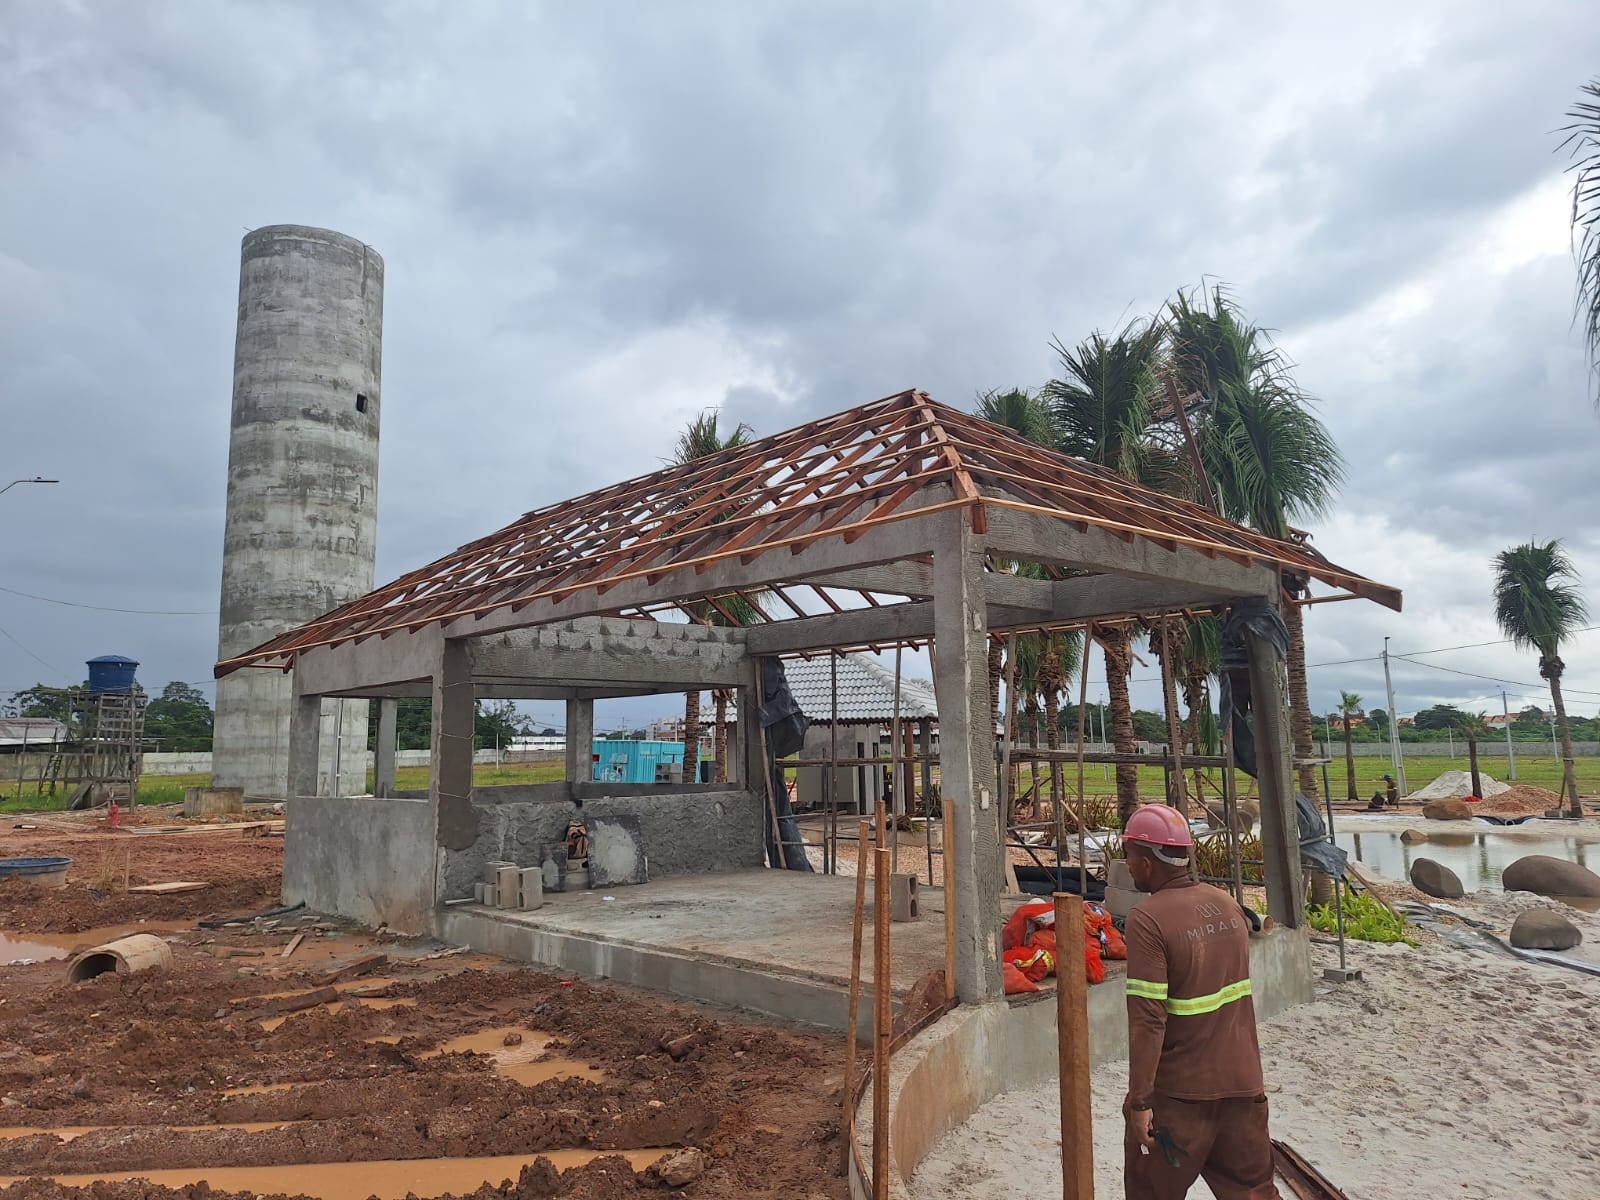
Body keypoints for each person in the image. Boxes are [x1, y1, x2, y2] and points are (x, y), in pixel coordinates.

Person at [1121, 804, 1280, 1200]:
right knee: (1253, 1191)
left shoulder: (1147, 919)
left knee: (1150, 1192)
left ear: (1146, 863)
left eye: (1129, 857)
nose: (1128, 865)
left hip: (1181, 1098)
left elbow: (1148, 1020)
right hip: (1244, 1086)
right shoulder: (1227, 905)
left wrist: (1140, 1102)